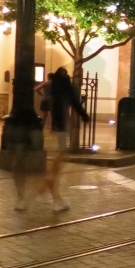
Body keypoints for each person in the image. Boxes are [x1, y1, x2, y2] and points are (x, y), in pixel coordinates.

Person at [24, 67, 89, 212]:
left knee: (53, 169)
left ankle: (51, 198)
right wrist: (84, 117)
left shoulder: (51, 86)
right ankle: (45, 198)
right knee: (54, 168)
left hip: (50, 131)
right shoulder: (66, 88)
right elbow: (74, 104)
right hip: (59, 131)